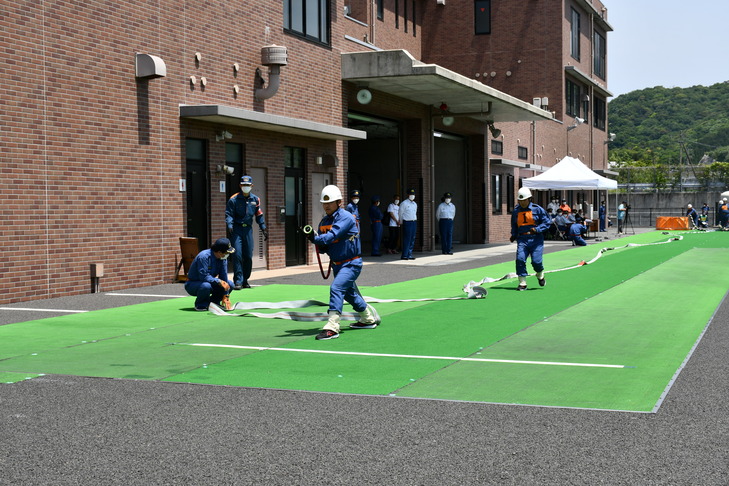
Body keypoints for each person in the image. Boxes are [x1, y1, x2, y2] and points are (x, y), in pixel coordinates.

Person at [305, 185, 380, 340]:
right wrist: (319, 243)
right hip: (337, 264)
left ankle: (332, 326)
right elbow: (326, 245)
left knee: (337, 288)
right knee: (348, 293)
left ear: (338, 202)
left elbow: (332, 235)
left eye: (330, 202)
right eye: (324, 203)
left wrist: (315, 238)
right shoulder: (324, 220)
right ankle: (367, 319)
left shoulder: (345, 217)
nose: (326, 205)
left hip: (351, 263)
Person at [226, 175, 268, 290]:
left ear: (252, 186)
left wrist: (263, 228)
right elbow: (229, 214)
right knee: (237, 255)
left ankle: (245, 280)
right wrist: (230, 225)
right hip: (237, 230)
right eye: (243, 185)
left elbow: (259, 214)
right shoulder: (233, 199)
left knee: (248, 256)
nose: (246, 187)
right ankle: (238, 281)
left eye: (248, 185)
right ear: (240, 185)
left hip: (248, 230)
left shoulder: (255, 199)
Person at [510, 187, 551, 291]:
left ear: (529, 199)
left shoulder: (537, 209)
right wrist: (513, 234)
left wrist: (537, 229)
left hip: (536, 239)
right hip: (522, 239)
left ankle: (540, 274)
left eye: (524, 200)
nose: (522, 203)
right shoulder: (516, 211)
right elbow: (514, 224)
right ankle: (522, 283)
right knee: (520, 259)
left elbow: (547, 222)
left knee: (536, 261)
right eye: (520, 201)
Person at [184, 238, 235, 311]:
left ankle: (214, 303)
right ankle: (201, 305)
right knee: (206, 286)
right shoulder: (204, 256)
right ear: (219, 252)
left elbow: (224, 277)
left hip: (209, 282)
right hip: (193, 283)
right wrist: (219, 281)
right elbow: (204, 277)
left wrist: (226, 295)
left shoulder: (223, 259)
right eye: (227, 253)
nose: (228, 255)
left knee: (230, 284)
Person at [398, 188, 418, 260]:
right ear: (408, 195)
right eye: (411, 194)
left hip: (413, 222)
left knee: (412, 238)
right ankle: (404, 255)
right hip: (407, 222)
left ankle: (410, 254)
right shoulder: (404, 203)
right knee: (407, 239)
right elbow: (400, 213)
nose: (412, 196)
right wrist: (401, 221)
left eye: (413, 194)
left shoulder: (415, 204)